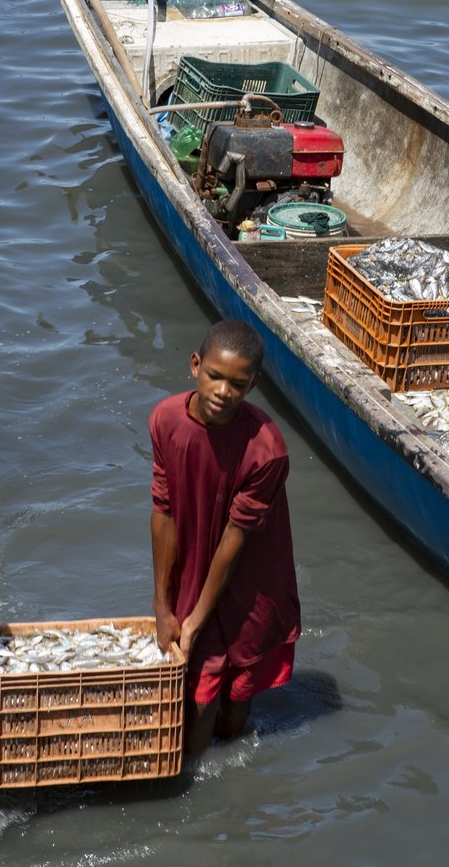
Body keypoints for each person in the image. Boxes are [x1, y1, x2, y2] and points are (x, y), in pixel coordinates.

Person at [148, 319, 301, 756]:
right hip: (194, 558)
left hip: (249, 575)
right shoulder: (165, 419)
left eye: (237, 383)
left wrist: (195, 618)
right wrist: (162, 604)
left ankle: (227, 760)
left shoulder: (266, 449)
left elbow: (236, 537)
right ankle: (192, 772)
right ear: (195, 366)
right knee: (197, 690)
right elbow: (163, 512)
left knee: (236, 701)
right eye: (214, 376)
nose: (222, 391)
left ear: (252, 385)